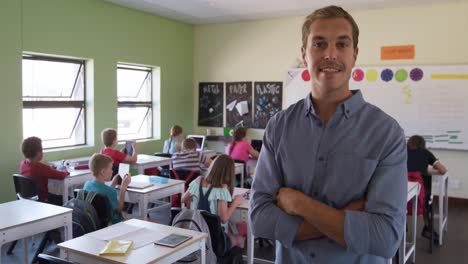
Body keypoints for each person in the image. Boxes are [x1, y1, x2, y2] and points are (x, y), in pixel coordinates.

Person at [250, 5, 408, 263]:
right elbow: (259, 220)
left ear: (355, 55)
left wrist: (300, 205)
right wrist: (346, 219)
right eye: (319, 44)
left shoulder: (386, 134)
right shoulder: (278, 126)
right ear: (304, 54)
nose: (330, 54)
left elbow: (385, 238)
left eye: (342, 45)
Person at [182, 154, 245, 249]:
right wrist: (236, 202)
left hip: (196, 229)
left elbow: (183, 199)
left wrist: (193, 201)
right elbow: (223, 218)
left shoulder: (198, 180)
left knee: (232, 229)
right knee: (241, 236)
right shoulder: (222, 189)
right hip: (215, 238)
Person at [407, 135, 448, 240]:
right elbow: (443, 170)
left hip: (403, 194)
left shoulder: (402, 152)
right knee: (427, 199)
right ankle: (428, 228)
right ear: (423, 144)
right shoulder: (426, 153)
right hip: (420, 196)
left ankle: (402, 224)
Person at [19, 136, 69, 205]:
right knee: (69, 200)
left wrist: (49, 168)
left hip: (30, 201)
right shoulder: (39, 167)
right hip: (44, 201)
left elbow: (45, 171)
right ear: (38, 153)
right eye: (42, 150)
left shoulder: (23, 164)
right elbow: (61, 175)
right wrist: (66, 172)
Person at [84, 153, 131, 224]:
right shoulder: (110, 192)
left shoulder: (87, 184)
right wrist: (123, 188)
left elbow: (104, 192)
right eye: (111, 168)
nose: (112, 171)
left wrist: (113, 183)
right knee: (142, 220)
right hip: (112, 222)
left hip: (95, 221)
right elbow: (119, 209)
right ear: (103, 172)